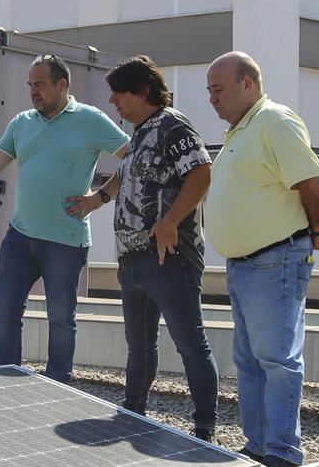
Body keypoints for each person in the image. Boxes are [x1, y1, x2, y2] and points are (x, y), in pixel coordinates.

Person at [0, 54, 129, 383]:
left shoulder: (91, 120)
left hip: (66, 242)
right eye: (31, 85)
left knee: (61, 318)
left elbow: (133, 159)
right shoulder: (21, 122)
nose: (34, 92)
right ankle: (6, 378)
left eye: (41, 85)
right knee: (4, 311)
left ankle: (59, 384)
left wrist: (100, 197)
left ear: (63, 85)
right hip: (20, 238)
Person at [66, 56, 219, 442]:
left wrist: (168, 222)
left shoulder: (173, 125)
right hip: (132, 261)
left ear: (144, 92)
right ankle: (133, 412)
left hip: (168, 258)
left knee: (190, 344)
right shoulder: (141, 132)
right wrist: (98, 198)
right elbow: (130, 171)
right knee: (139, 345)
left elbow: (201, 172)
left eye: (119, 92)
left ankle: (204, 429)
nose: (113, 100)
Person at [204, 51, 319, 467]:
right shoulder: (241, 130)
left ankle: (282, 451)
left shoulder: (274, 121)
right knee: (251, 360)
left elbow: (312, 182)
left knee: (276, 359)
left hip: (275, 259)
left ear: (248, 84)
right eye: (209, 92)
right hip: (245, 264)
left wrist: (315, 232)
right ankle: (259, 445)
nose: (212, 99)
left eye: (218, 90)